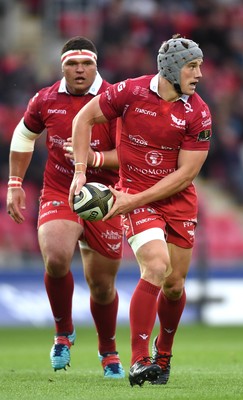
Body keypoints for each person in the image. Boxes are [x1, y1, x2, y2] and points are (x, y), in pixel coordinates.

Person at [69, 34, 212, 386]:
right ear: (173, 68)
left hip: (175, 199)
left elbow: (187, 174)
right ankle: (138, 360)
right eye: (193, 67)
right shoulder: (130, 93)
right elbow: (83, 120)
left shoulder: (199, 112)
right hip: (132, 193)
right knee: (156, 266)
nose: (199, 74)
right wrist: (81, 172)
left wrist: (134, 200)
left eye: (200, 67)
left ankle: (164, 355)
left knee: (175, 285)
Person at [6, 36, 125, 379]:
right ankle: (63, 332)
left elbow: (129, 155)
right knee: (56, 257)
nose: (79, 70)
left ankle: (108, 351)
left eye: (86, 63)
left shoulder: (115, 101)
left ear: (96, 65)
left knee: (102, 286)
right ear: (62, 67)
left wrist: (95, 158)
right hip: (61, 190)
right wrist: (15, 183)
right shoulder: (45, 100)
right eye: (72, 64)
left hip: (105, 197)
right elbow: (23, 136)